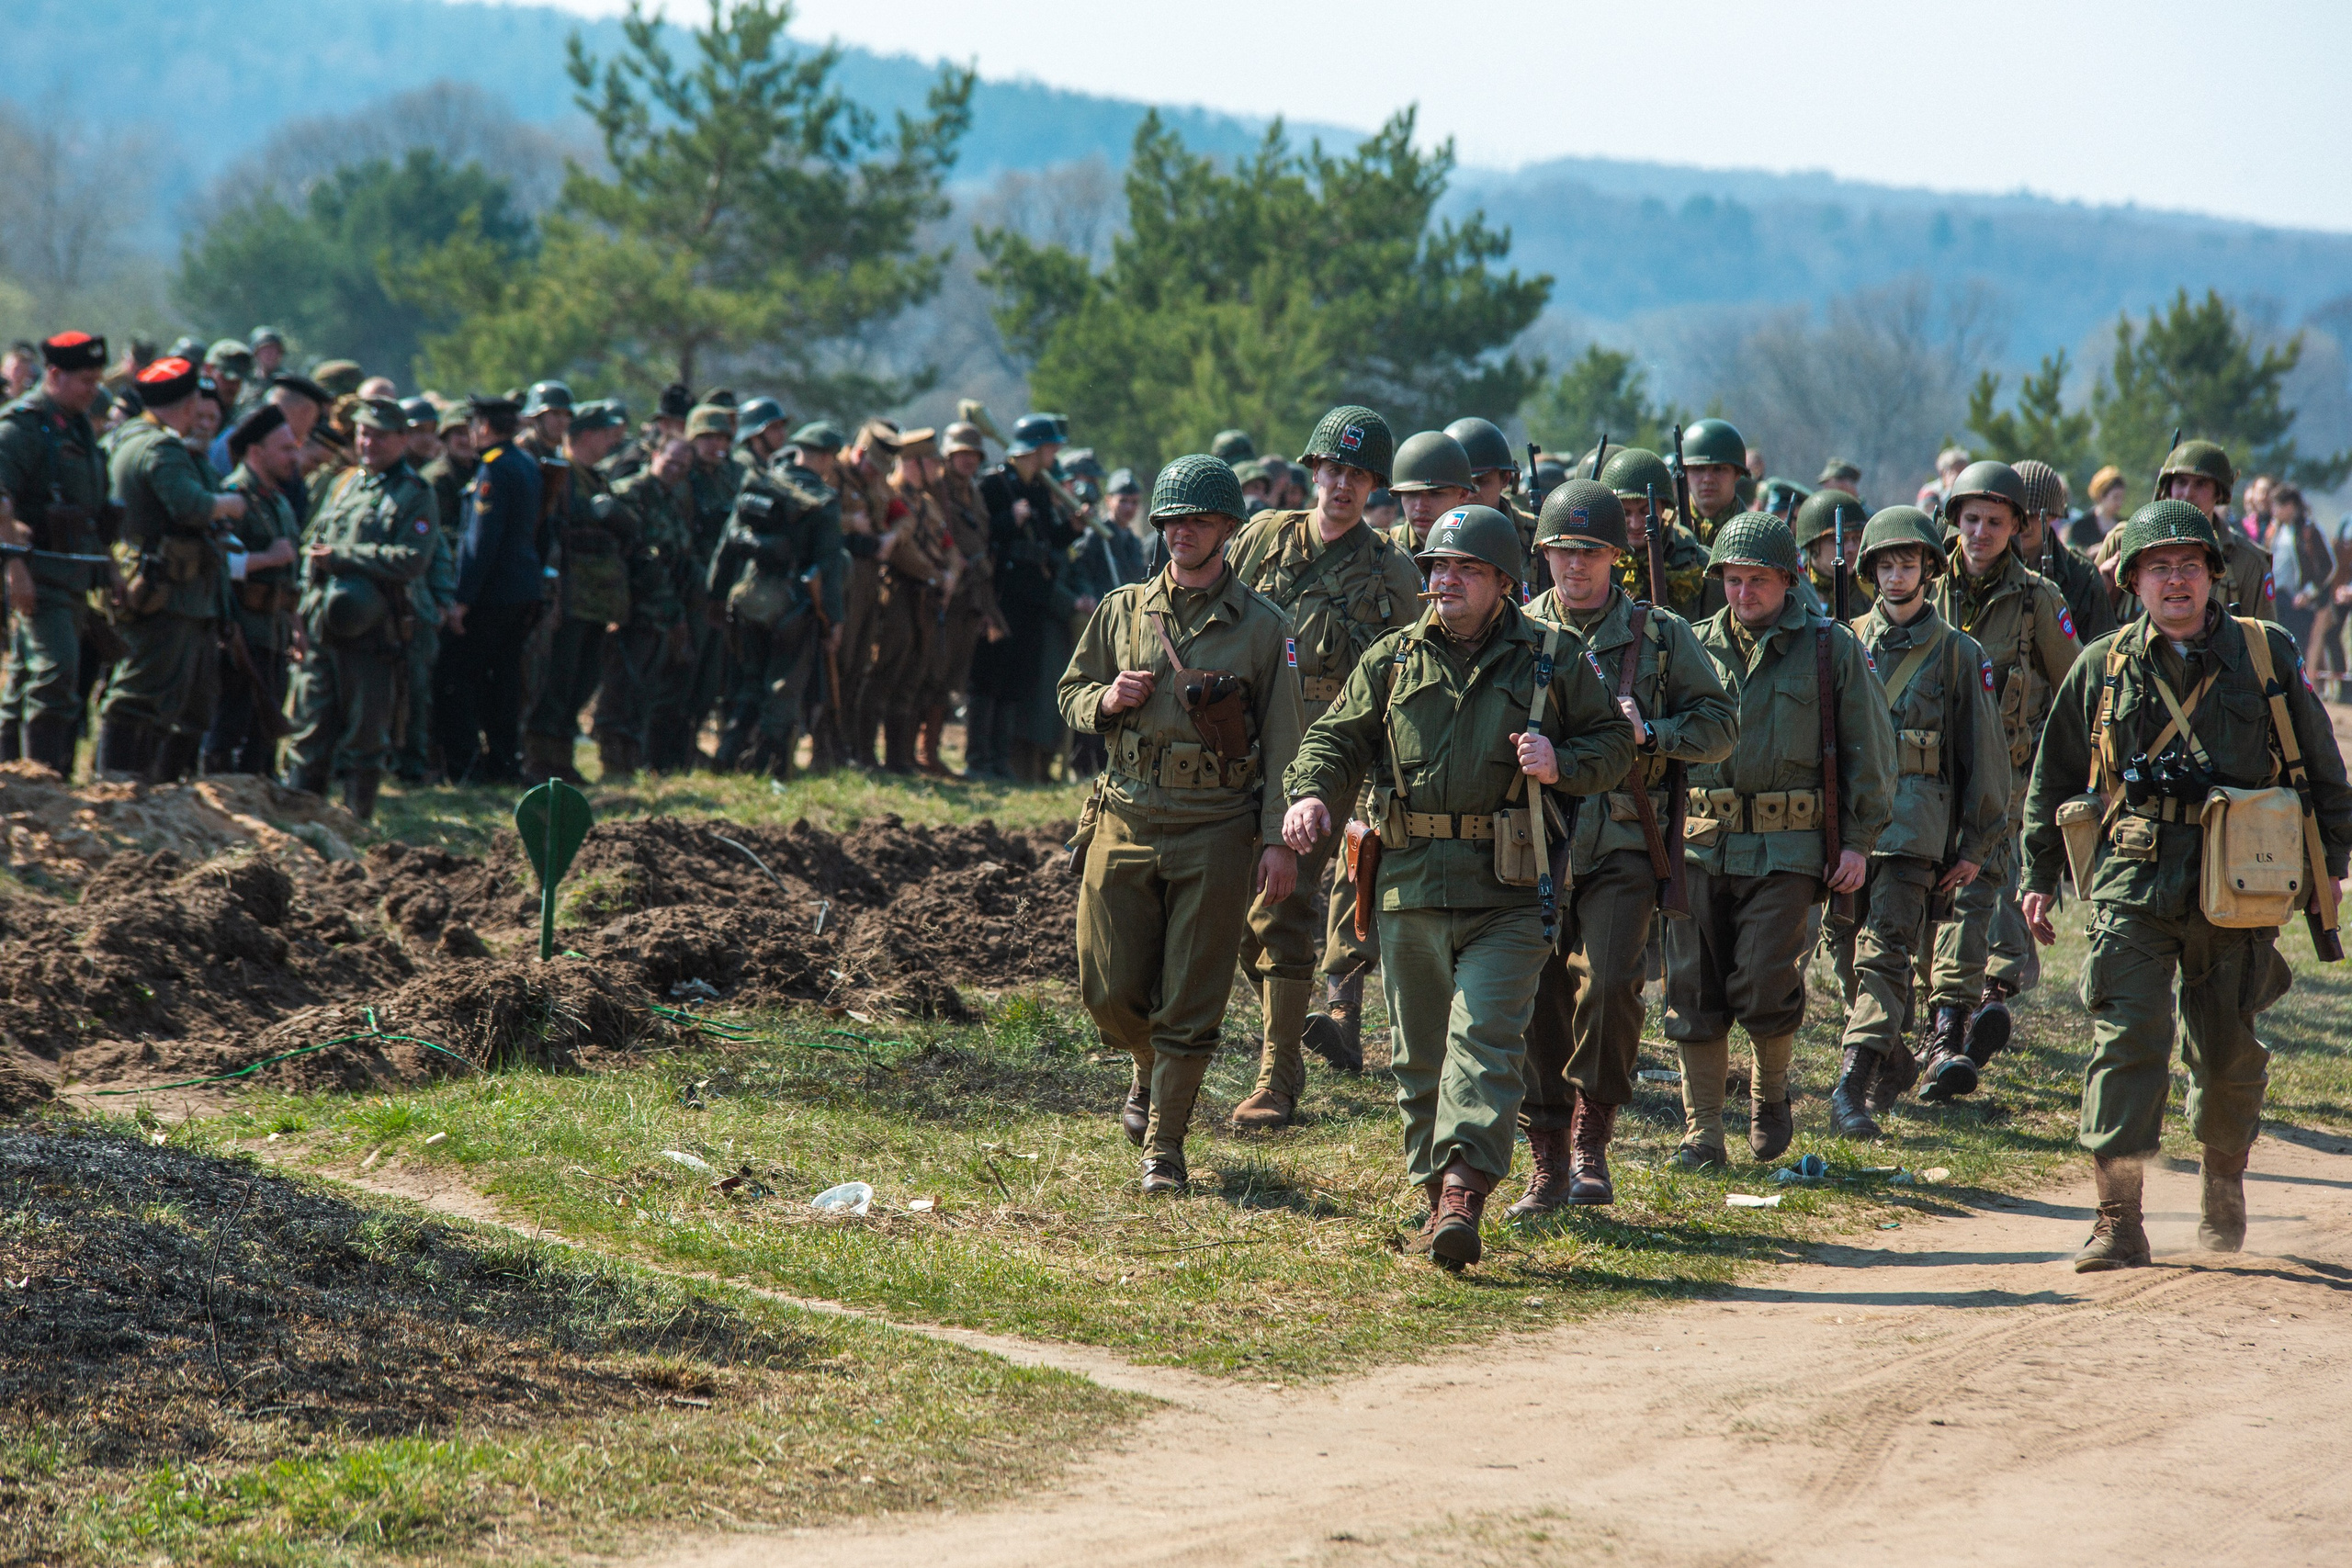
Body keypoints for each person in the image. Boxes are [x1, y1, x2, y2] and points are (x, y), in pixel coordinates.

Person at [1283, 504, 1634, 1268]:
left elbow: (1612, 744)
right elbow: (1333, 739)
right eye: (1438, 567)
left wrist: (1559, 761)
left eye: (1465, 569)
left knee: (1484, 1043)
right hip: (1408, 885)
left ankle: (1463, 1193)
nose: (1444, 580)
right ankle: (1430, 1188)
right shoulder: (1394, 658)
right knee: (1419, 1057)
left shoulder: (1551, 657)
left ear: (1503, 582)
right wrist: (1311, 791)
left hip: (1509, 893)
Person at [2021, 501, 2352, 1269]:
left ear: (2215, 576)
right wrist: (2038, 875)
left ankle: (2223, 1178)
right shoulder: (2101, 665)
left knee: (2229, 1055)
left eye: (2190, 565)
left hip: (2241, 883)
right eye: (2158, 567)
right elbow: (2053, 776)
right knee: (2127, 1040)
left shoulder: (2264, 654)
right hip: (2132, 883)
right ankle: (2118, 1216)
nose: (2175, 580)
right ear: (2132, 580)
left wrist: (2332, 861)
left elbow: (2320, 761)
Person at [1060, 456, 1306, 1191]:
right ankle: (1147, 1066)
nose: (1181, 533)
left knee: (1193, 991)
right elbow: (1070, 692)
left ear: (1227, 529)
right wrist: (1105, 700)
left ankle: (1164, 1146)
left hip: (1217, 826)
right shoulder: (1122, 609)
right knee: (1106, 989)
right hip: (1126, 812)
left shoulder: (1266, 629)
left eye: (1198, 521)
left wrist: (1276, 842)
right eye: (1171, 521)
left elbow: (1287, 744)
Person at [1510, 480, 1736, 1212]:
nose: (1573, 565)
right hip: (1532, 841)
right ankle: (1544, 1150)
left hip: (1623, 838)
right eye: (1560, 550)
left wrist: (1653, 735)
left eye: (1589, 551)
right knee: (1536, 992)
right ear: (1541, 553)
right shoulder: (1513, 629)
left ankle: (1590, 1137)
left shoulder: (1660, 634)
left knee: (1609, 982)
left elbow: (1721, 723)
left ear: (1617, 555)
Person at [1666, 513, 1895, 1168]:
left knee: (1766, 980)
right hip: (1700, 842)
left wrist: (1857, 840)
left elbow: (1871, 752)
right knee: (1694, 988)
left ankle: (1771, 1094)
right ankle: (1702, 1131)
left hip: (1788, 847)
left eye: (1757, 581)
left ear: (1788, 580)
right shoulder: (1691, 643)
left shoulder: (1830, 647)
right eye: (1732, 581)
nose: (1743, 594)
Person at [1227, 406, 1423, 1122]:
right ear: (1312, 472)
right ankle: (1296, 1012)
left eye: (1358, 475)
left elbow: (1399, 681)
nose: (1342, 485)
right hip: (1241, 743)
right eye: (1332, 470)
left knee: (1284, 903)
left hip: (1323, 756)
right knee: (1232, 907)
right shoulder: (1259, 538)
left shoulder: (1392, 569)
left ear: (1374, 486)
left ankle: (1278, 1080)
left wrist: (1378, 780)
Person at [1825, 507, 2008, 1136]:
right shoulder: (1842, 639)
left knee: (1885, 954)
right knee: (1846, 956)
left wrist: (1977, 841)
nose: (1897, 576)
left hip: (1914, 829)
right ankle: (1895, 1059)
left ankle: (1851, 1084)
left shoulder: (1959, 652)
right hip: (1848, 826)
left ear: (1930, 568)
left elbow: (1984, 754)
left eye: (1909, 563)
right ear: (1869, 570)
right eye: (1885, 564)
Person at [1917, 460, 2078, 1092]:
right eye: (1971, 519)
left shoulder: (2040, 600)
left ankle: (1948, 1031)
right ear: (1954, 520)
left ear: (2020, 527)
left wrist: (2061, 780)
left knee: (1974, 885)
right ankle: (1980, 1002)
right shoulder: (1926, 588)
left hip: (2008, 780)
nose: (1980, 532)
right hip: (1928, 775)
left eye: (1995, 521)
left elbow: (2074, 693)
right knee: (1936, 898)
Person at [97, 356, 249, 781]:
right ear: (185, 404)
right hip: (165, 587)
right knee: (142, 694)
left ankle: (139, 787)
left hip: (157, 582)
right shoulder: (161, 447)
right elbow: (193, 506)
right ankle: (119, 785)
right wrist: (230, 504)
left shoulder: (126, 437)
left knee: (162, 695)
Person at [281, 399, 434, 819]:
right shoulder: (344, 483)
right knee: (310, 730)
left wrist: (344, 556)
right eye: (364, 433)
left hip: (374, 635)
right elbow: (311, 544)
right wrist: (297, 609)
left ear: (402, 439)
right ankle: (302, 827)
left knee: (365, 737)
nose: (370, 442)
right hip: (321, 628)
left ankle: (355, 824)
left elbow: (411, 558)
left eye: (381, 435)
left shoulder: (414, 494)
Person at [0, 333, 114, 775]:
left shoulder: (79, 424)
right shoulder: (22, 427)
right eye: (85, 379)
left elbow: (91, 509)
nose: (94, 389)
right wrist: (14, 568)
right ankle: (41, 779)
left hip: (72, 573)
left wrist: (109, 568)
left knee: (30, 679)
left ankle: (15, 775)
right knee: (56, 674)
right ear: (54, 375)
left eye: (97, 379)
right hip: (37, 571)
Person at [708, 427, 842, 777]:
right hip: (792, 605)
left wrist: (716, 596)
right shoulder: (823, 499)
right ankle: (770, 764)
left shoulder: (759, 484)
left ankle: (729, 751)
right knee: (783, 686)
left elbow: (728, 546)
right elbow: (828, 566)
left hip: (748, 597)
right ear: (827, 457)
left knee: (750, 680)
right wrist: (834, 620)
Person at [522, 400, 628, 784]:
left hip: (596, 599)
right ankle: (541, 760)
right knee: (558, 679)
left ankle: (561, 760)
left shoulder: (595, 477)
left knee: (582, 681)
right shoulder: (562, 477)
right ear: (586, 435)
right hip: (570, 597)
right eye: (604, 433)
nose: (611, 440)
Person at [437, 394, 543, 784]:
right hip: (521, 588)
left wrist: (461, 600)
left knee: (458, 676)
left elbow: (479, 543)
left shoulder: (493, 470)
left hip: (492, 594)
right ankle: (504, 762)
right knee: (505, 679)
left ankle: (466, 766)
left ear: (483, 427)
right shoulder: (526, 464)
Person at [972, 414, 1083, 783]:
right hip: (1001, 595)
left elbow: (1048, 542)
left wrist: (1072, 529)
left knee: (1015, 680)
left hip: (1031, 600)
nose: (1054, 454)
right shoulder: (994, 486)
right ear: (1036, 449)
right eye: (1050, 447)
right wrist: (1009, 519)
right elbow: (982, 535)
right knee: (988, 677)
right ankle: (979, 760)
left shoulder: (1037, 490)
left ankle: (1001, 762)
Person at [201, 405, 304, 776]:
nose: (295, 456)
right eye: (286, 449)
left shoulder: (277, 500)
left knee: (266, 727)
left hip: (274, 629)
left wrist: (296, 625)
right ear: (256, 452)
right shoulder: (233, 496)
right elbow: (218, 562)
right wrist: (266, 558)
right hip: (242, 630)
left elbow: (289, 571)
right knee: (232, 721)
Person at [595, 435, 702, 778]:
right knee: (621, 686)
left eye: (683, 467)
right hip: (633, 607)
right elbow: (634, 554)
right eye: (670, 461)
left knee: (645, 689)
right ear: (655, 455)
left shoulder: (674, 500)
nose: (675, 470)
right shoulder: (631, 492)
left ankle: (633, 761)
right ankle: (613, 763)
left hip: (663, 609)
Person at [2094, 441, 2275, 624]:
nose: (2188, 494)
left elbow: (2265, 641)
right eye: (2181, 482)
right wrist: (2102, 589)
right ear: (2168, 488)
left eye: (2201, 484)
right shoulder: (2123, 541)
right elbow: (2086, 623)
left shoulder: (2248, 561)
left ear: (2218, 492)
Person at [2016, 459, 2115, 646]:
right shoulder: (1992, 569)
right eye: (2018, 515)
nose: (2024, 525)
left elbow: (2101, 650)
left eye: (2032, 516)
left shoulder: (2082, 575)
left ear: (2052, 515)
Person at [1385, 431, 1476, 552]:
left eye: (1435, 494)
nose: (1421, 507)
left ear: (1462, 495)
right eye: (1411, 494)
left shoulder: (1483, 549)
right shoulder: (1380, 551)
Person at [2268, 483, 2332, 651]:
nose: (2273, 510)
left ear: (2289, 506)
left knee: (2295, 652)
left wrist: (2309, 592)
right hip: (2276, 600)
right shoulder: (2275, 530)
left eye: (2278, 505)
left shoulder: (2308, 531)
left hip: (2297, 604)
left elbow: (2329, 566)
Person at [2066, 465, 2130, 553]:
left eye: (2121, 498)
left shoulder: (2124, 526)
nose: (2119, 503)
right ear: (2101, 496)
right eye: (2115, 497)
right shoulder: (2081, 526)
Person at [1918, 445, 1970, 514]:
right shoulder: (1930, 492)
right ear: (1944, 472)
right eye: (1957, 470)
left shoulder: (1968, 490)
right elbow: (1929, 517)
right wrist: (1950, 491)